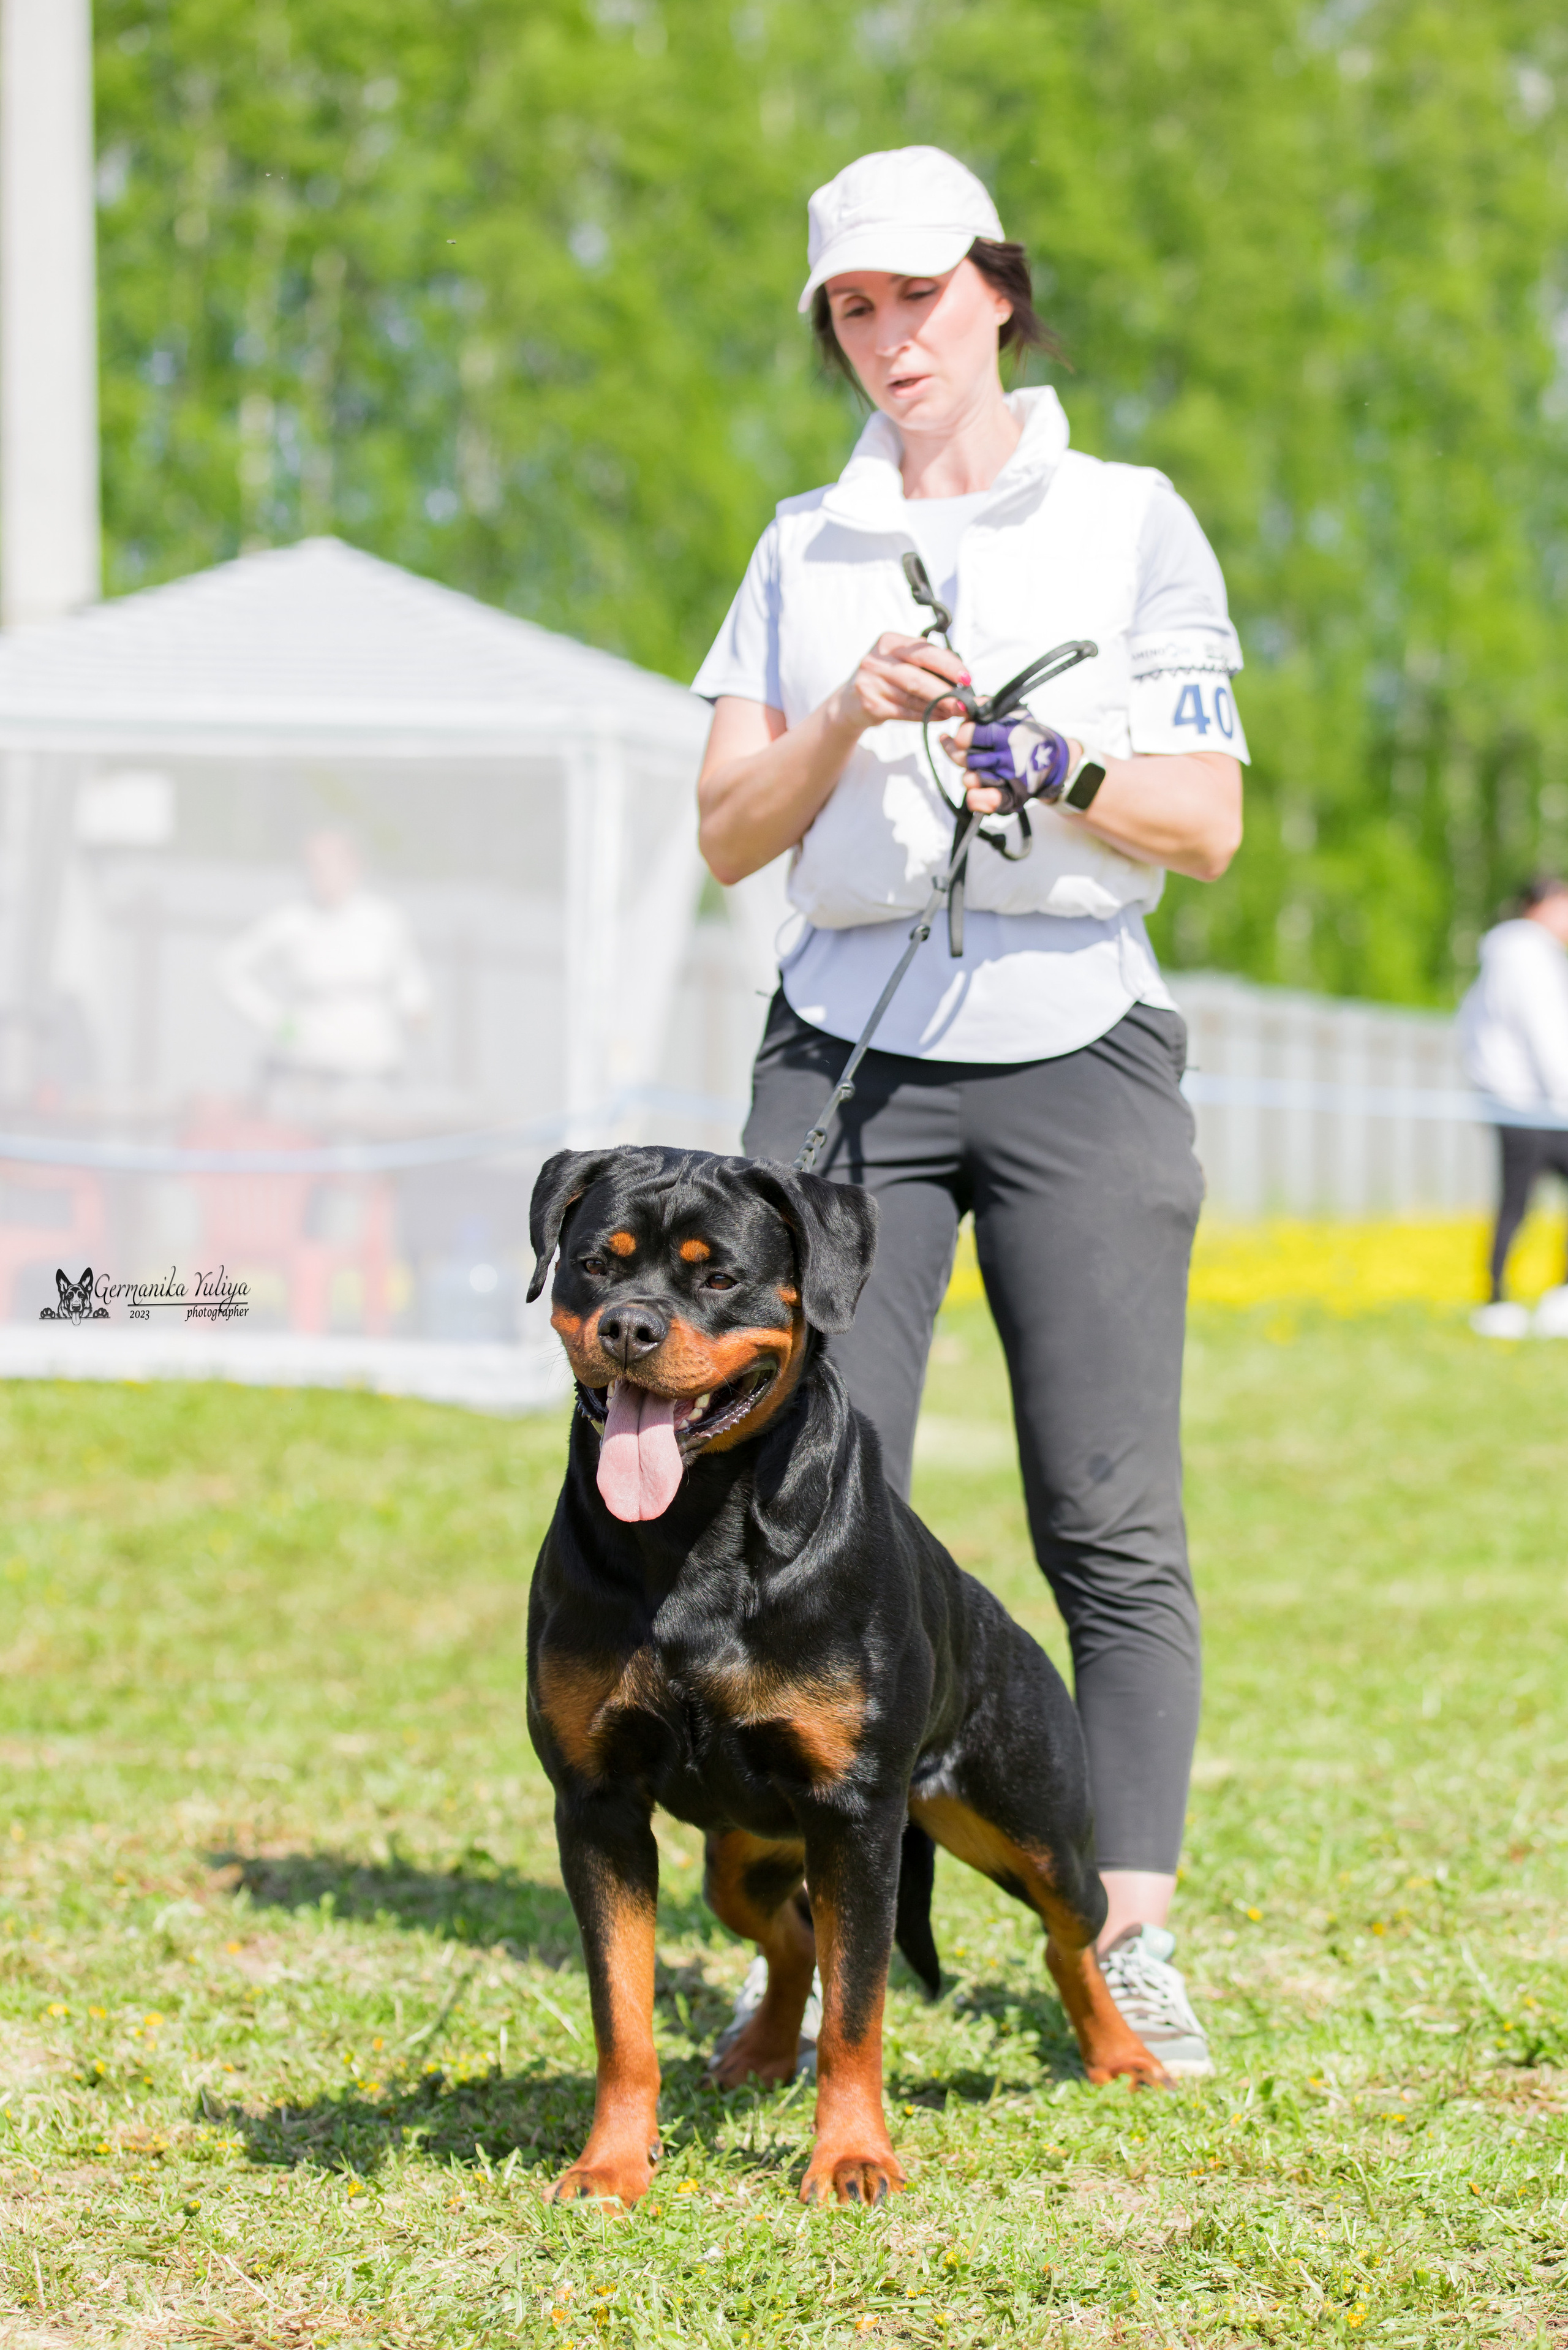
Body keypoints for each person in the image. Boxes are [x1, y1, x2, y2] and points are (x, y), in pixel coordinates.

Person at [693, 146, 1248, 2076]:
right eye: (849, 306)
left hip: (1078, 1043)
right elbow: (725, 834)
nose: (884, 336)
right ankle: (785, 1932)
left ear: (996, 289)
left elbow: (1202, 828)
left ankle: (1124, 1927)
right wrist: (844, 715)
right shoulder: (797, 545)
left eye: (915, 295)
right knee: (780, 1500)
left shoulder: (1129, 521)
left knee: (1106, 1508)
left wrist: (1056, 753)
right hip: (842, 1052)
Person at [220, 830, 431, 1112]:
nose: (322, 874)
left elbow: (410, 981)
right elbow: (228, 969)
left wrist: (416, 1011)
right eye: (314, 865)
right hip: (310, 1074)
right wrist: (277, 1022)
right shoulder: (292, 921)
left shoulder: (384, 920)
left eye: (331, 864)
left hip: (374, 1072)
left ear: (355, 866)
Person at [1461, 875, 1568, 1338]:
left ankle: (1501, 1299)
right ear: (1541, 907)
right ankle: (1506, 1300)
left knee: (1514, 1201)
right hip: (1538, 1105)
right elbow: (1547, 1034)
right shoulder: (1529, 955)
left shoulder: (1501, 956)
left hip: (1511, 1101)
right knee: (1516, 1201)